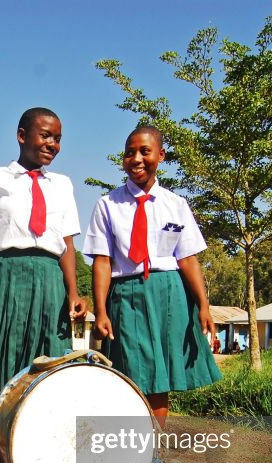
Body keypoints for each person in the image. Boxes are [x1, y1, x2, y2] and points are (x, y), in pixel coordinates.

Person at [0, 107, 86, 463]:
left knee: (45, 375)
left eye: (58, 138)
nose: (52, 144)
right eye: (45, 135)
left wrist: (73, 292)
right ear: (21, 134)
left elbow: (67, 245)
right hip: (4, 278)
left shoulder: (63, 185)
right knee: (1, 375)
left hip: (49, 281)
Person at [84, 126, 221, 428]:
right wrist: (102, 310)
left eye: (144, 151)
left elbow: (187, 259)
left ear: (160, 155)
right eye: (129, 152)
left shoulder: (176, 204)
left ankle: (154, 454)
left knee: (160, 378)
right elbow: (103, 262)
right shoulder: (108, 205)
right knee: (130, 374)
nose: (136, 159)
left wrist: (204, 305)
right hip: (127, 293)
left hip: (169, 295)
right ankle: (128, 448)